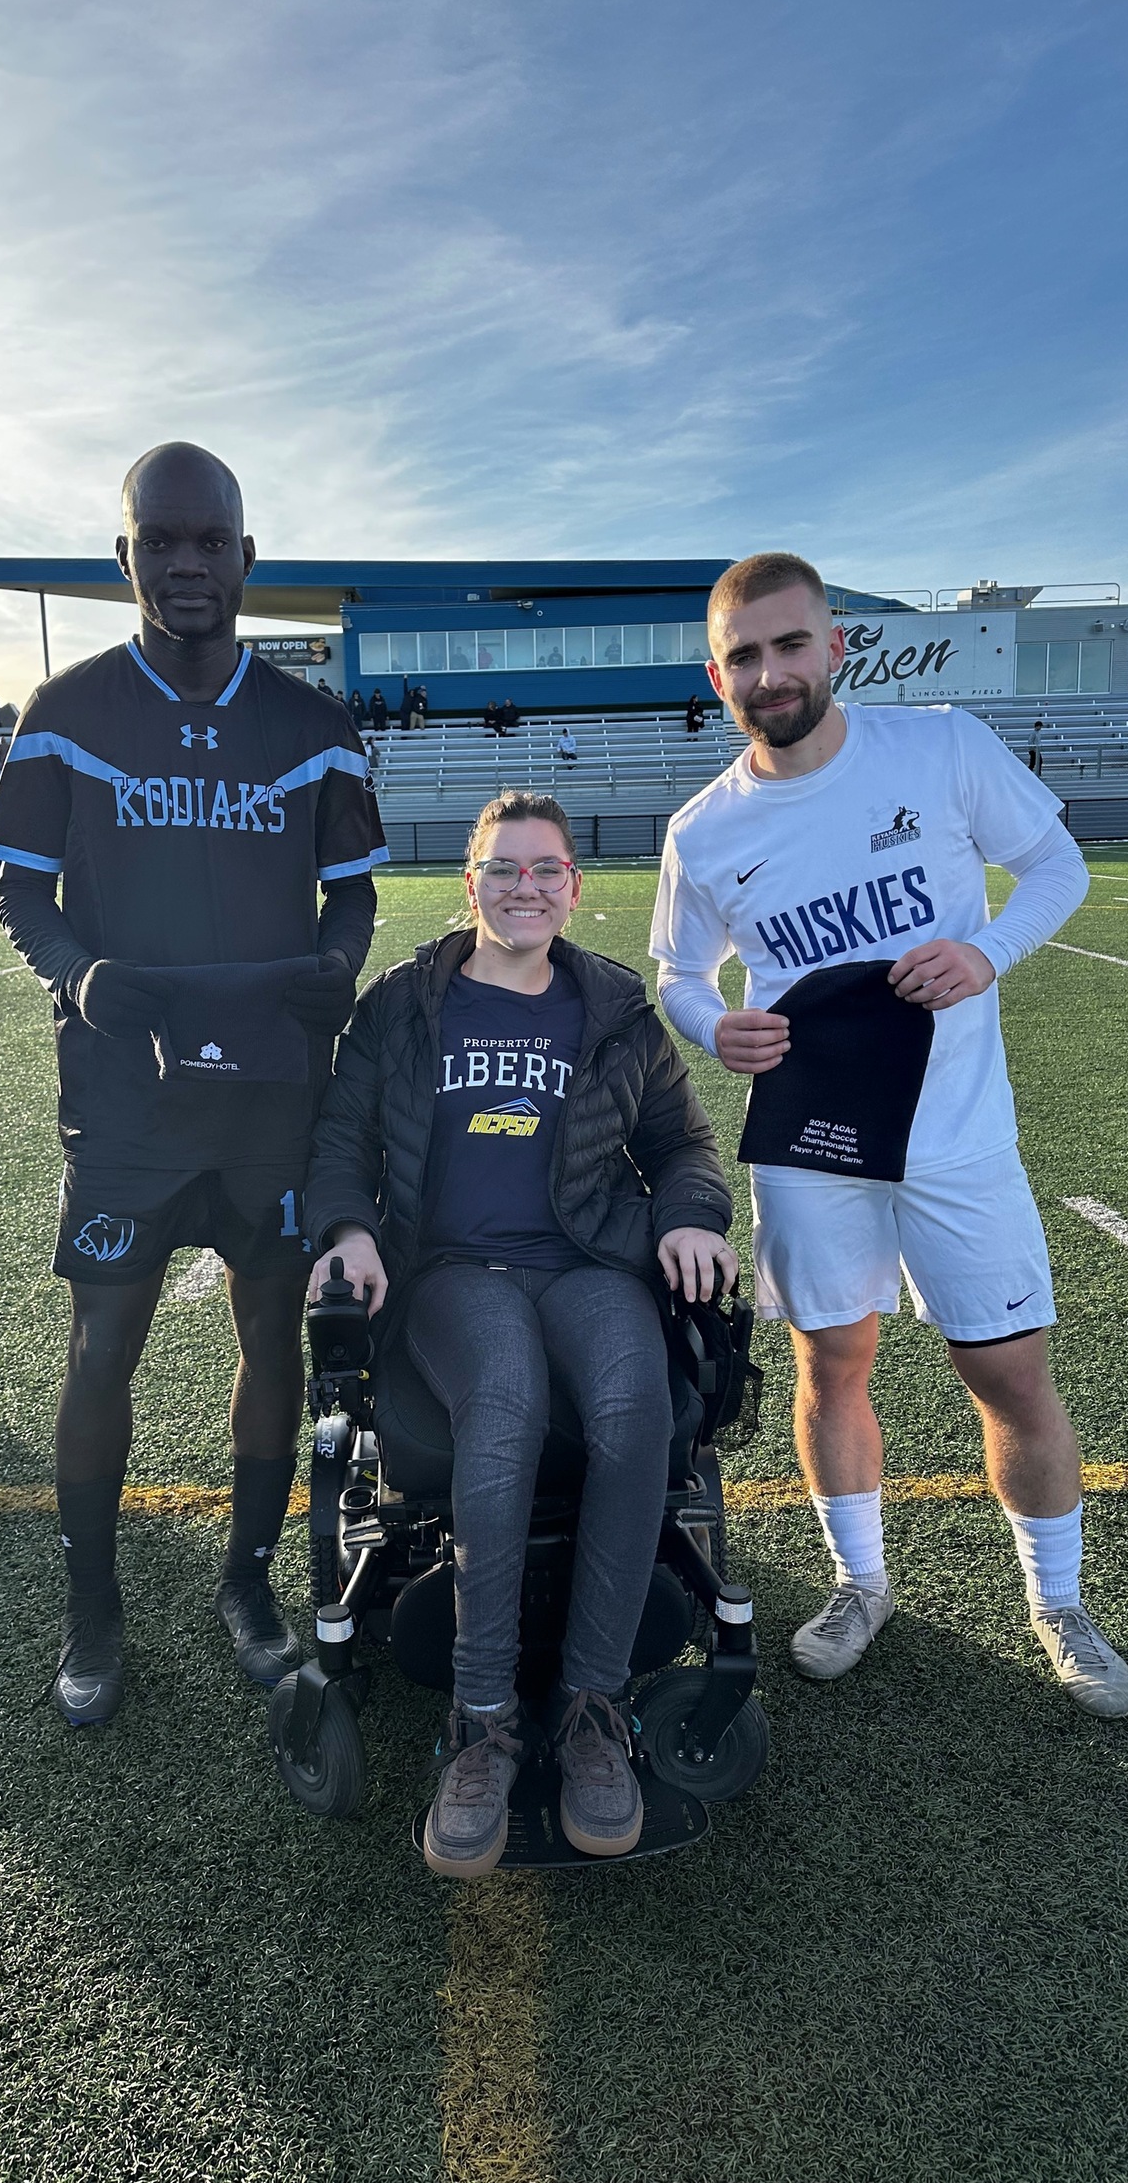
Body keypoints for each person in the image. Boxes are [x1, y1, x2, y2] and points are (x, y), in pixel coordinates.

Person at [650, 550, 1128, 1719]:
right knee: (833, 1361)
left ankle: (1059, 1601)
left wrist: (987, 954)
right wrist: (719, 1030)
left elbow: (1055, 866)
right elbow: (675, 970)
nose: (772, 673)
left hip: (957, 1136)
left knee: (1007, 1370)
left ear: (835, 646)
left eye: (790, 644)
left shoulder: (940, 746)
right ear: (720, 677)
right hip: (812, 1141)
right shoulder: (704, 829)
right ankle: (860, 1584)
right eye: (746, 657)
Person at [0, 440, 387, 1726]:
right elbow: (19, 891)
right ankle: (92, 1614)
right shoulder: (67, 713)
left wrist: (337, 957)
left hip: (274, 1099)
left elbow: (357, 887)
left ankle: (246, 1585)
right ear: (127, 560)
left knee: (274, 1336)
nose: (189, 564)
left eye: (211, 541)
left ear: (247, 556)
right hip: (128, 1099)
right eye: (163, 541)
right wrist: (79, 977)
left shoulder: (315, 727)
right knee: (106, 1345)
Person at [306, 790, 736, 1877]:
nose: (526, 887)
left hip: (588, 1259)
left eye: (547, 870)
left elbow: (683, 1147)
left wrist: (688, 1220)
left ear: (575, 889)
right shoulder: (402, 1006)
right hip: (453, 1273)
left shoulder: (616, 1011)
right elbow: (342, 1141)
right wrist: (350, 1231)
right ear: (471, 884)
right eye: (504, 869)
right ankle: (483, 1718)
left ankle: (594, 1706)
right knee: (503, 1401)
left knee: (637, 1406)